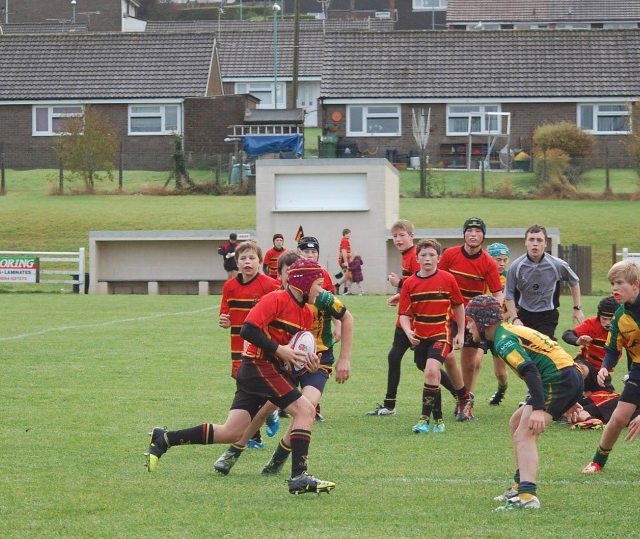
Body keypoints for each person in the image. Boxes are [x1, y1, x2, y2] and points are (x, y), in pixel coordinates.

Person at [145, 258, 336, 495]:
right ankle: (299, 476)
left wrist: (308, 363)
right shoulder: (275, 299)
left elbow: (294, 355)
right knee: (305, 410)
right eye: (318, 283)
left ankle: (165, 438)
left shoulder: (306, 313)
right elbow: (248, 329)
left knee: (232, 432)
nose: (322, 289)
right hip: (258, 366)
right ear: (304, 284)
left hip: (266, 369)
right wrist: (279, 351)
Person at [213, 250, 353, 475]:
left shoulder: (321, 295)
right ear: (281, 276)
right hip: (286, 358)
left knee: (305, 406)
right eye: (286, 273)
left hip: (317, 360)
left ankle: (279, 458)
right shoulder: (280, 297)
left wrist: (344, 358)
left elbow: (346, 316)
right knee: (266, 407)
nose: (292, 276)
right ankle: (234, 450)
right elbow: (258, 329)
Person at [465, 295, 583, 510]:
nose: (468, 327)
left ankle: (528, 497)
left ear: (483, 322)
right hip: (566, 373)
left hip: (557, 377)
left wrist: (539, 408)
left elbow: (530, 370)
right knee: (516, 421)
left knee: (525, 433)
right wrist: (569, 397)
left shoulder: (503, 340)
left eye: (470, 321)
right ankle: (520, 486)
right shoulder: (506, 331)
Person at [367, 220, 460, 416]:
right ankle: (459, 395)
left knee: (415, 362)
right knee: (414, 362)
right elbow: (415, 288)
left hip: (422, 322)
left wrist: (399, 283)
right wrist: (401, 294)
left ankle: (392, 405)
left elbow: (418, 283)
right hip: (408, 319)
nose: (398, 239)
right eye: (395, 236)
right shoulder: (407, 256)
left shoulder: (413, 256)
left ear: (412, 236)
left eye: (402, 235)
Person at [439, 217, 504, 421]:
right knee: (446, 356)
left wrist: (494, 314)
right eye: (469, 231)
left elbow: (497, 293)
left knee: (469, 364)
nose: (473, 234)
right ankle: (461, 397)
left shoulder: (488, 263)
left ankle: (464, 404)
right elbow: (437, 278)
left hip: (472, 320)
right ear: (464, 234)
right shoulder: (450, 255)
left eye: (478, 231)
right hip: (447, 313)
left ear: (483, 236)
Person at [398, 239, 465, 434]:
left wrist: (460, 332)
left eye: (432, 255)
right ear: (417, 258)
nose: (427, 259)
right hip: (420, 338)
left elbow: (459, 305)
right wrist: (408, 330)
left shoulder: (447, 279)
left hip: (441, 335)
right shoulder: (410, 283)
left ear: (439, 258)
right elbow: (404, 314)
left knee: (431, 370)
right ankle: (439, 419)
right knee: (429, 372)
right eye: (423, 255)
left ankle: (424, 420)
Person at [218, 241, 281, 449]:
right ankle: (257, 434)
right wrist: (225, 322)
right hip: (238, 348)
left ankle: (268, 412)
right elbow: (224, 315)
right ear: (236, 262)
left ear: (260, 262)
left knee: (257, 389)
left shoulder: (269, 285)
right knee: (244, 389)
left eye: (252, 258)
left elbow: (282, 305)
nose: (247, 262)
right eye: (243, 258)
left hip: (262, 348)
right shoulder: (229, 286)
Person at [582, 260, 640, 474]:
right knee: (618, 418)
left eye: (619, 283)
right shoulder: (619, 316)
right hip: (638, 370)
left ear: (636, 284)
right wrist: (605, 367)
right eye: (612, 284)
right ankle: (598, 461)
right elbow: (613, 350)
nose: (615, 289)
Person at [505, 224, 585, 340]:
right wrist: (515, 318)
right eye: (531, 239)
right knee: (525, 350)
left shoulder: (557, 264)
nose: (535, 243)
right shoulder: (516, 266)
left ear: (545, 243)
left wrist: (577, 308)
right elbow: (509, 294)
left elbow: (574, 281)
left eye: (539, 240)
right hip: (524, 314)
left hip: (547, 315)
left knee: (542, 347)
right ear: (525, 242)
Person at [297, 236, 337, 421]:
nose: (310, 255)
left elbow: (334, 305)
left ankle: (315, 408)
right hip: (296, 332)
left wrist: (338, 325)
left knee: (315, 369)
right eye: (306, 251)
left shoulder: (324, 274)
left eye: (314, 252)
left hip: (319, 334)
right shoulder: (294, 273)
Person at [562, 296, 620, 393]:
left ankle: (586, 397)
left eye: (611, 319)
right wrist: (578, 341)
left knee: (611, 401)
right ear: (598, 316)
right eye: (604, 319)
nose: (607, 323)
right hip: (585, 363)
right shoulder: (592, 324)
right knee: (581, 370)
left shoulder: (621, 328)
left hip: (602, 373)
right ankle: (567, 396)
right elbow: (567, 334)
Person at [486, 242, 511, 405]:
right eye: (497, 259)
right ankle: (466, 398)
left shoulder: (510, 278)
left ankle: (501, 389)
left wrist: (504, 317)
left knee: (500, 373)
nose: (501, 263)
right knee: (475, 362)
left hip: (499, 329)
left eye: (504, 259)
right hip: (480, 328)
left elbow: (516, 306)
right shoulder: (483, 274)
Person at [335, 229, 352, 295]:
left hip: (343, 259)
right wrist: (345, 261)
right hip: (343, 260)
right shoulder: (345, 240)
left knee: (346, 274)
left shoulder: (345, 240)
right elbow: (343, 250)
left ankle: (346, 290)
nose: (350, 235)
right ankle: (337, 285)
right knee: (347, 275)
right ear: (345, 234)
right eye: (349, 234)